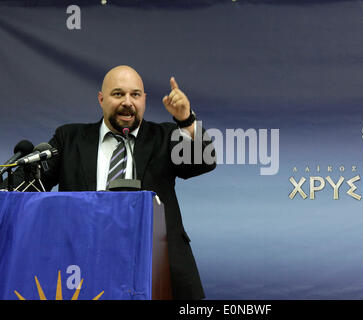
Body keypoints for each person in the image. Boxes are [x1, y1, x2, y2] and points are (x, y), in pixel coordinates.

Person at [4, 65, 216, 299]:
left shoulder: (164, 136)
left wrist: (186, 119)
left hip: (156, 265)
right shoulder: (69, 139)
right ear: (101, 99)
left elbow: (203, 162)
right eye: (118, 94)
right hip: (85, 265)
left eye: (135, 95)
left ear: (144, 100)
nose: (128, 102)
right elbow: (26, 186)